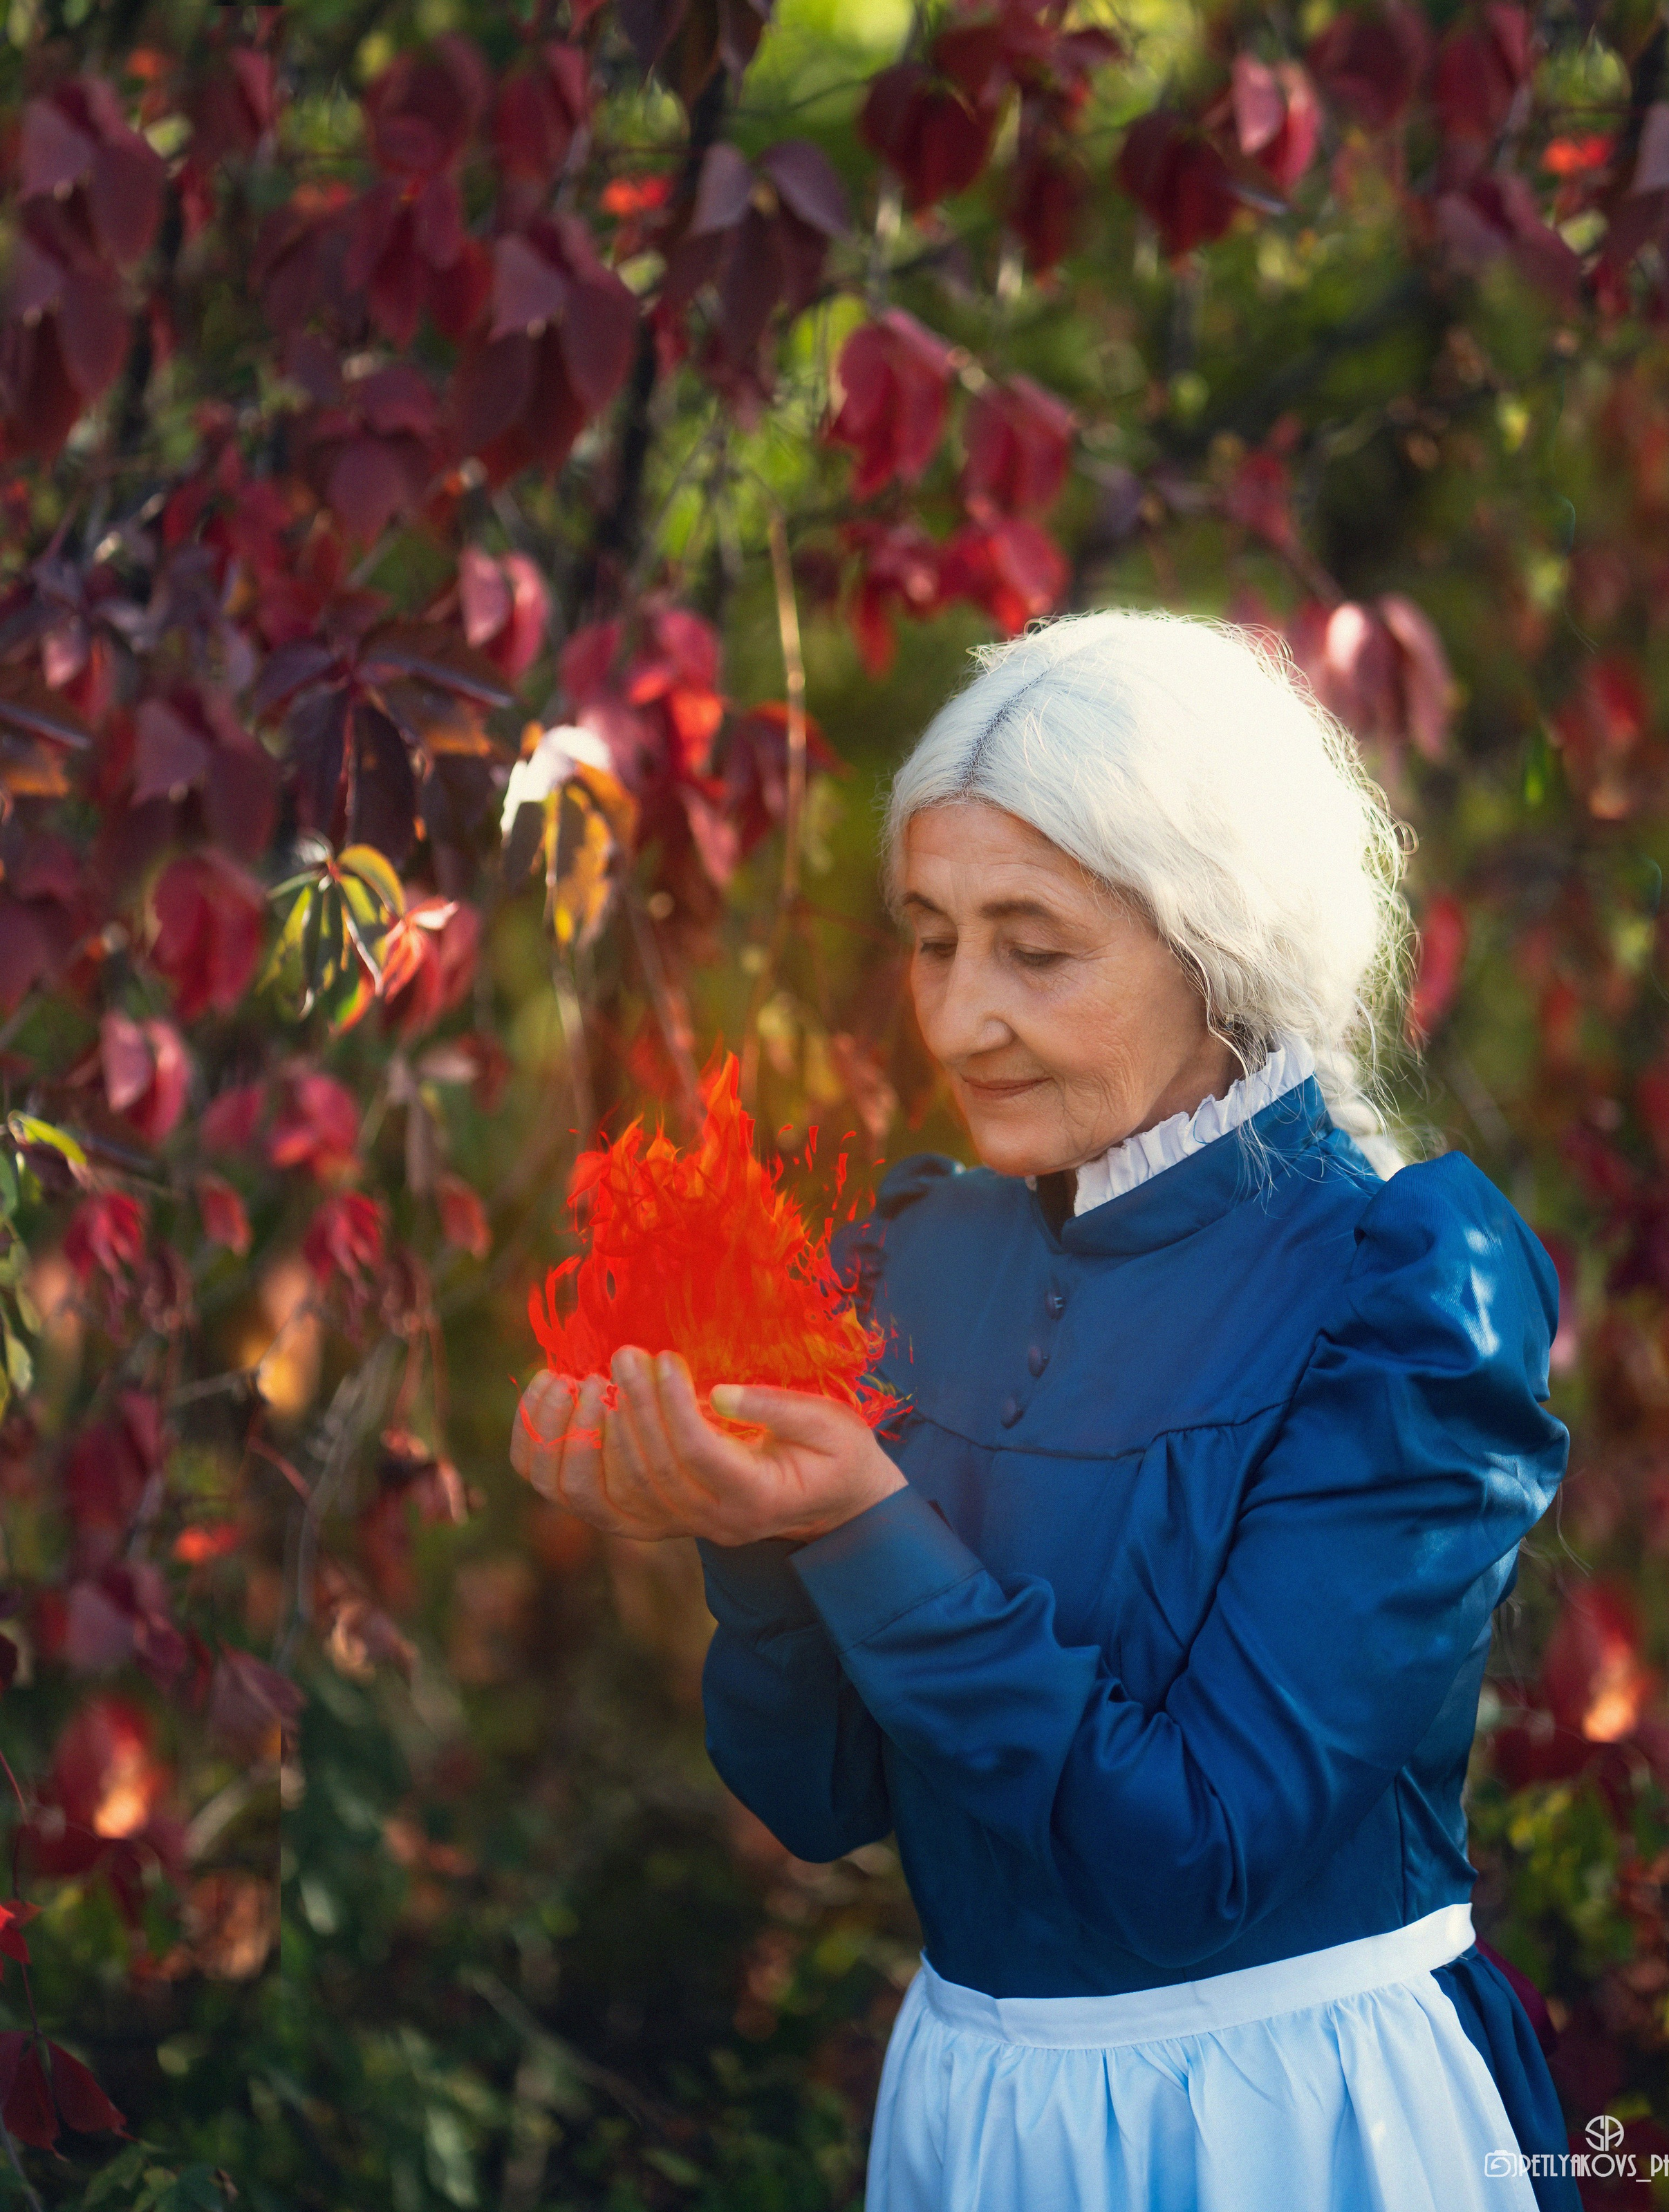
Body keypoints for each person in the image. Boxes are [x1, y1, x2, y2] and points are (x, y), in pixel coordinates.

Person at [511, 611, 1579, 2212]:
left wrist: (857, 1522)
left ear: (1216, 944)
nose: (955, 1019)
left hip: (1286, 2121)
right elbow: (817, 1798)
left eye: (1034, 947)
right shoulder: (915, 1257)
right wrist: (751, 1524)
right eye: (931, 937)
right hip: (972, 2116)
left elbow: (1194, 1855)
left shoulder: (1404, 1292)